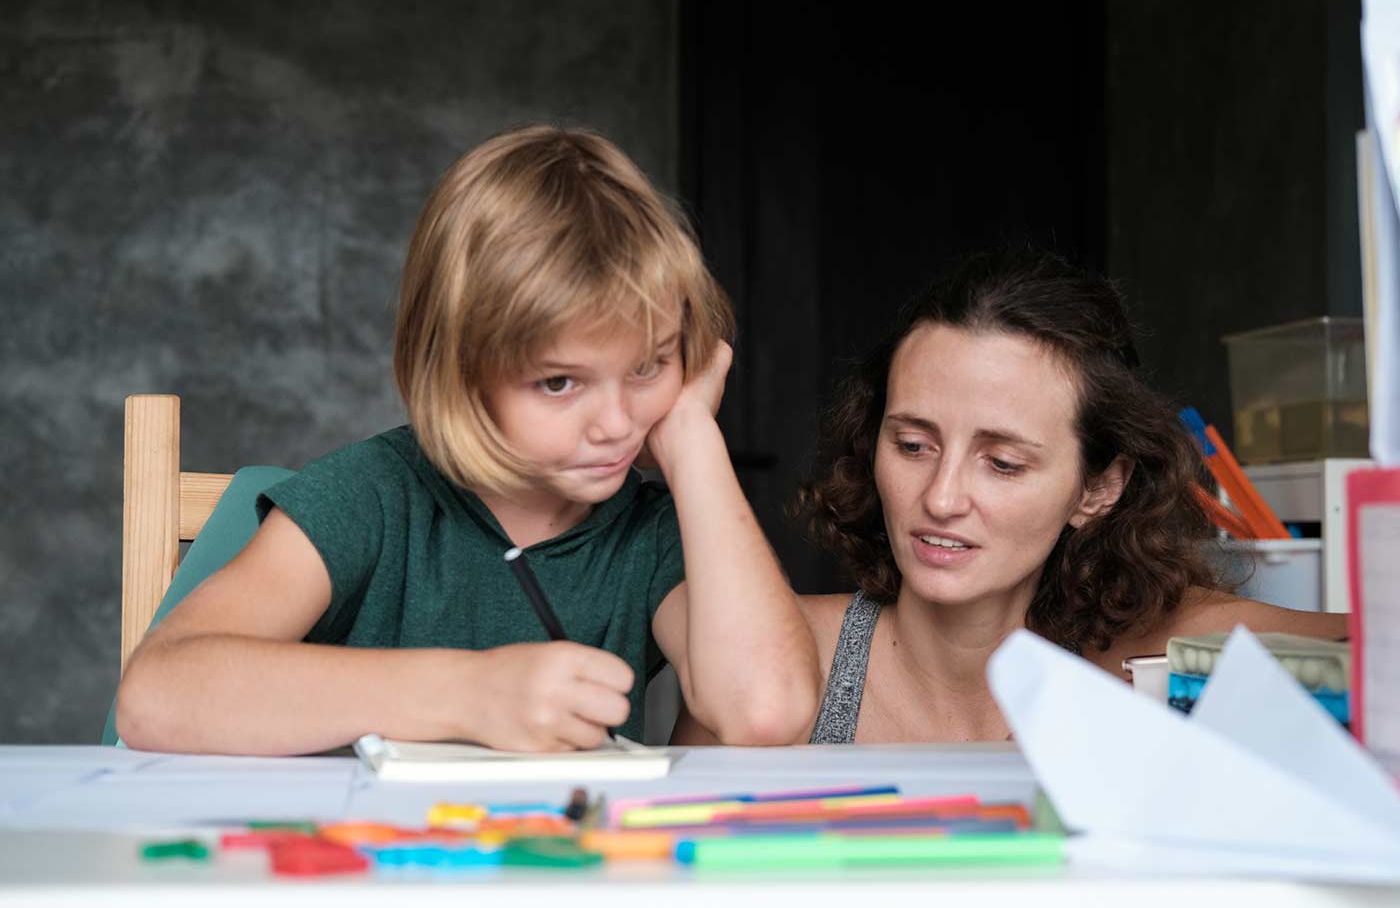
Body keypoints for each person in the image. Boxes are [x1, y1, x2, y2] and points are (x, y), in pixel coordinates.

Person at [116, 125, 818, 755]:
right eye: (559, 383)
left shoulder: (651, 534)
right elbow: (156, 693)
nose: (616, 422)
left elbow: (766, 709)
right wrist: (469, 691)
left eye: (648, 366)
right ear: (461, 373)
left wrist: (694, 436)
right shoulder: (373, 497)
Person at [671, 249, 1346, 745]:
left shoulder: (1166, 650)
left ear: (1098, 487)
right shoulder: (771, 656)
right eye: (912, 446)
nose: (940, 497)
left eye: (1001, 462)